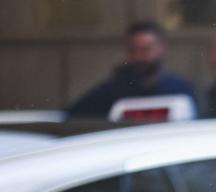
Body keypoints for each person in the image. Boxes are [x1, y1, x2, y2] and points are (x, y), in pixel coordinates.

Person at [66, 20, 197, 119]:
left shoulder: (180, 88)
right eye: (133, 50)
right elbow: (73, 115)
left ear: (161, 48)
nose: (138, 56)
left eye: (145, 49)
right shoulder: (113, 89)